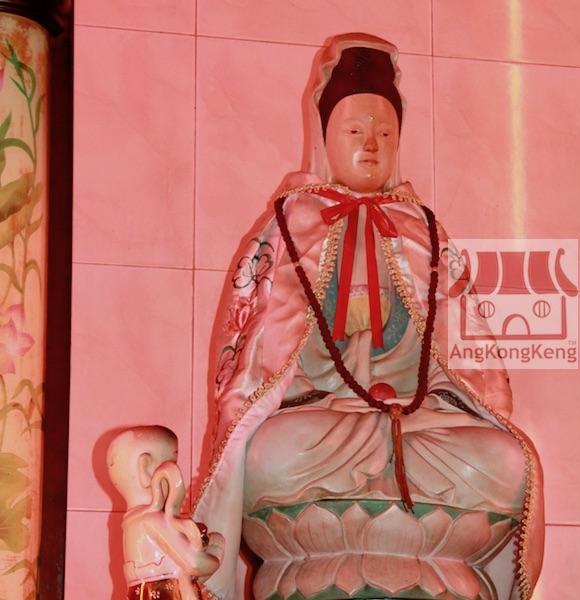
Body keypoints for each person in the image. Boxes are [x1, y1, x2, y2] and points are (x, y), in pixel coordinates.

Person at [192, 33, 544, 600]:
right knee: (268, 456)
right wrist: (330, 372)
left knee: (503, 461)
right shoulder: (287, 227)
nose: (372, 145)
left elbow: (462, 361)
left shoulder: (423, 230)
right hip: (320, 423)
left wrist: (408, 384)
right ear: (323, 136)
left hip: (414, 421)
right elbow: (258, 359)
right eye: (355, 131)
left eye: (385, 133)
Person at [107, 426, 224, 600]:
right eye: (172, 462)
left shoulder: (132, 523)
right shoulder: (152, 520)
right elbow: (194, 564)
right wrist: (217, 552)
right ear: (146, 468)